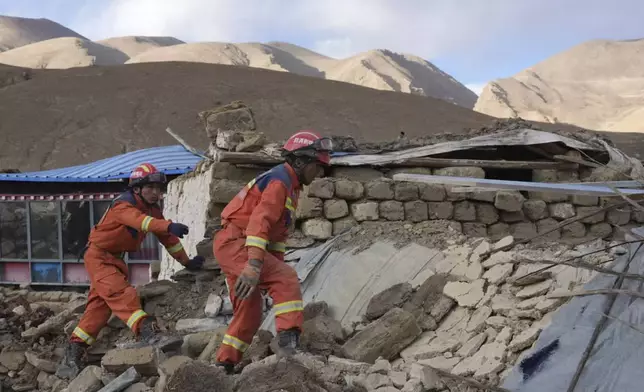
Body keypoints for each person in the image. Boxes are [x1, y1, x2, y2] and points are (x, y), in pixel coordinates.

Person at [58, 163, 205, 378]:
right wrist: (166, 225)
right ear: (137, 189)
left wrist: (186, 261)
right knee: (121, 293)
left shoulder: (152, 210)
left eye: (158, 188)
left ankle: (72, 354)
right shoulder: (123, 206)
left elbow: (168, 239)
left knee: (98, 309)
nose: (156, 193)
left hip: (115, 259)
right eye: (150, 188)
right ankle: (148, 332)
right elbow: (141, 222)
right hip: (99, 257)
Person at [213, 130, 333, 373]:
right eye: (317, 166)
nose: (319, 173)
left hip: (236, 244)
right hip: (237, 243)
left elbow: (275, 237)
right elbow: (259, 223)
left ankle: (224, 364)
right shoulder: (280, 182)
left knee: (250, 311)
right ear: (300, 161)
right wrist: (256, 265)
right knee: (286, 277)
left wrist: (269, 268)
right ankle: (289, 344)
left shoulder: (290, 186)